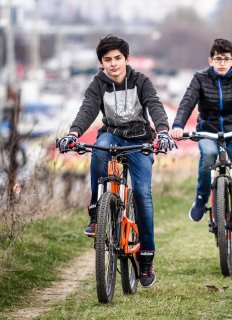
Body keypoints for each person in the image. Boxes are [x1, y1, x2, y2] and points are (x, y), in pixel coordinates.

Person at [57, 35, 176, 287]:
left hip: (140, 139)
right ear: (101, 63)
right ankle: (95, 213)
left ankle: (146, 258)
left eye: (118, 59)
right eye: (107, 60)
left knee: (143, 193)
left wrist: (163, 131)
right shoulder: (98, 83)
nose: (113, 64)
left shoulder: (141, 81)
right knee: (99, 149)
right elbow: (88, 109)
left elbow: (154, 105)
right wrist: (73, 134)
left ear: (126, 59)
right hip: (112, 135)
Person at [170, 38, 232, 250]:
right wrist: (178, 125)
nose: (222, 63)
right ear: (210, 60)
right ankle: (200, 199)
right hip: (208, 129)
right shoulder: (199, 78)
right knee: (207, 156)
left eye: (226, 59)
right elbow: (187, 101)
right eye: (218, 59)